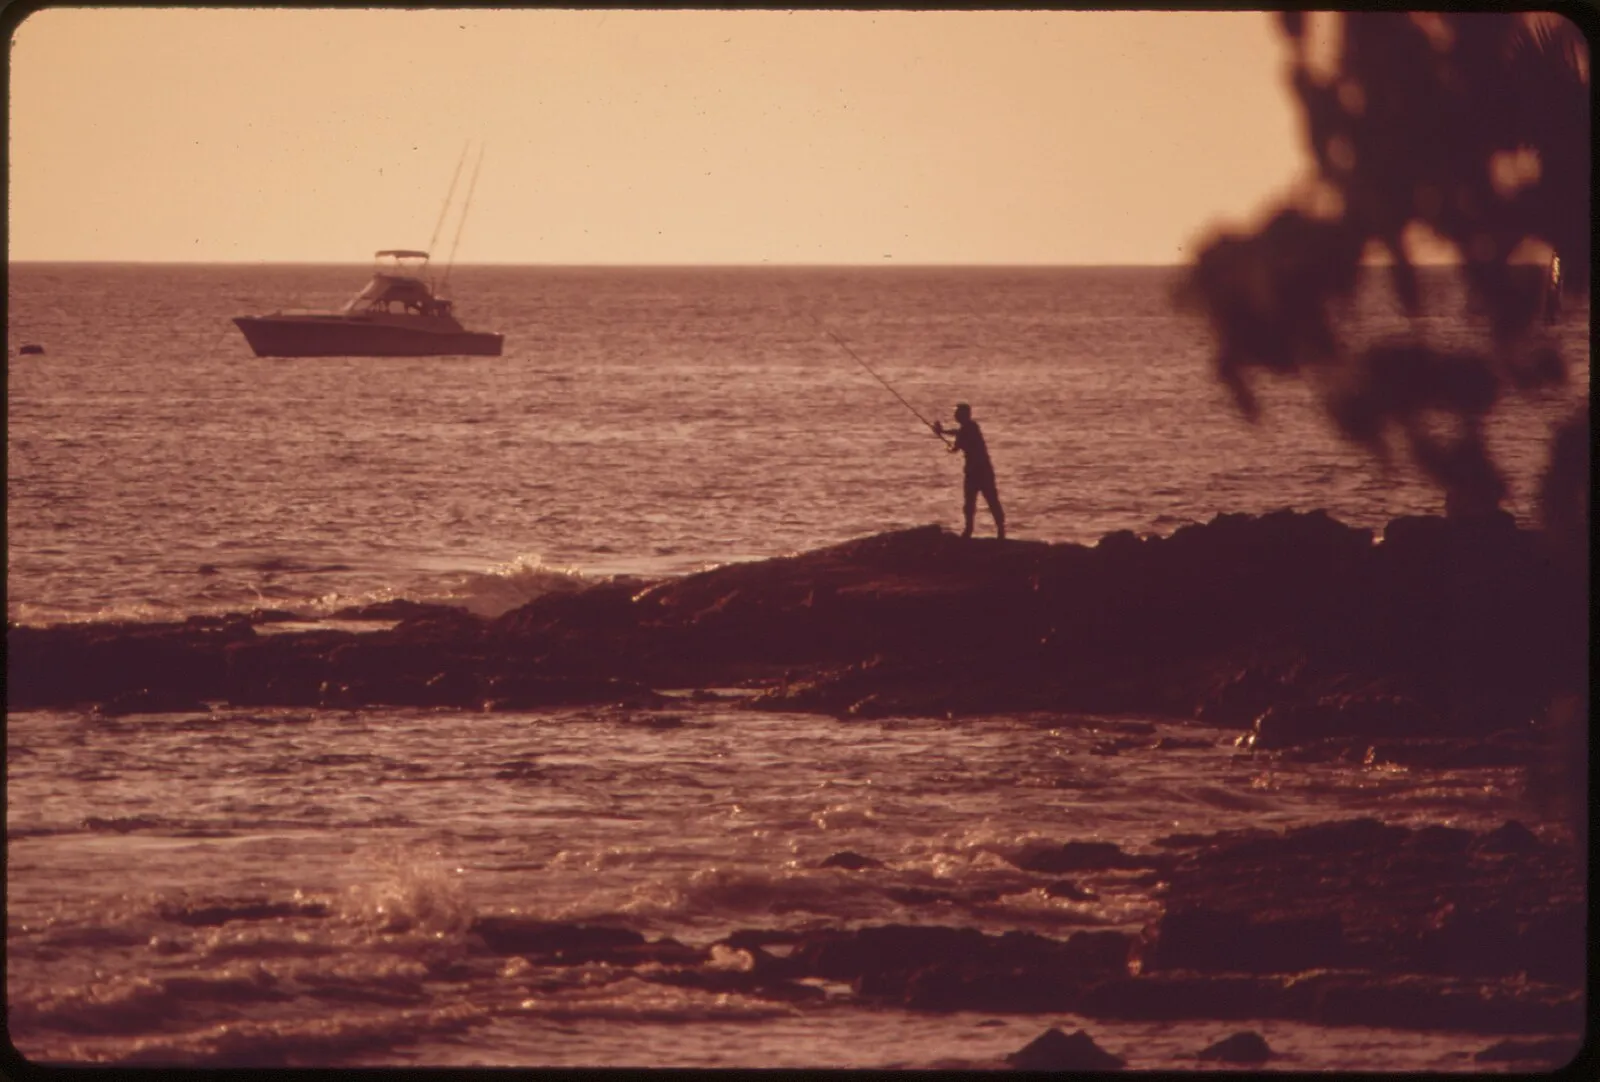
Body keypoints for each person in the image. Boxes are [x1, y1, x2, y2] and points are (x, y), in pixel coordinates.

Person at [933, 402, 1005, 540]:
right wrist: (942, 432)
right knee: (972, 503)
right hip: (975, 471)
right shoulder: (970, 427)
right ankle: (971, 530)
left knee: (989, 500)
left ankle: (997, 529)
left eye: (958, 413)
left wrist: (943, 435)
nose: (955, 415)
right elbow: (958, 434)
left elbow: (955, 447)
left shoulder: (970, 428)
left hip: (980, 472)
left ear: (964, 415)